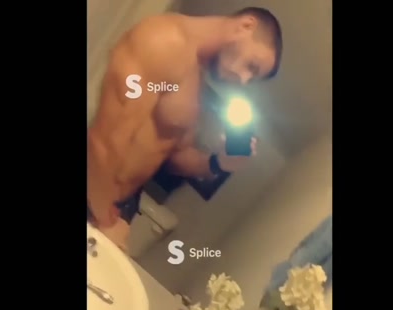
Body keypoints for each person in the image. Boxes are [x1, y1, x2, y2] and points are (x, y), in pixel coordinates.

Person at [87, 7, 284, 250]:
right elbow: (102, 143)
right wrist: (104, 219)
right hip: (95, 195)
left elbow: (174, 155)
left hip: (118, 205)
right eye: (252, 66)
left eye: (252, 78)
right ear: (246, 25)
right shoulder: (164, 42)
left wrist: (219, 162)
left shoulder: (196, 77)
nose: (243, 80)